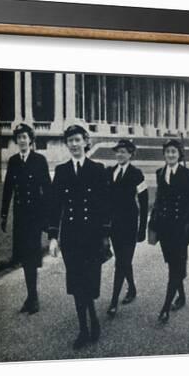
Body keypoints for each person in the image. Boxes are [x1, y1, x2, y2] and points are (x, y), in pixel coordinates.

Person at [47, 125, 111, 350]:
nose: (74, 145)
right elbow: (54, 205)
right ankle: (84, 328)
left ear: (85, 141)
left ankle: (92, 315)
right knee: (76, 283)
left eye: (77, 140)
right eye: (69, 141)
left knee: (89, 283)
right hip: (72, 238)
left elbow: (105, 206)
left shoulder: (98, 169)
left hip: (92, 237)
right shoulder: (62, 171)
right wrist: (53, 237)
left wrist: (105, 235)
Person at [0, 123, 51, 314]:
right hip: (20, 215)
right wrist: (4, 214)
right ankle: (31, 296)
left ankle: (33, 297)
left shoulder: (39, 160)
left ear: (31, 139)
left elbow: (47, 189)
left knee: (31, 256)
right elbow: (8, 189)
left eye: (24, 137)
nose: (22, 140)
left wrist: (47, 217)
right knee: (23, 256)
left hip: (35, 216)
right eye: (19, 137)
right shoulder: (13, 161)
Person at [148, 139, 189, 323]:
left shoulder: (187, 174)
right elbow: (159, 200)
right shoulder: (160, 173)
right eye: (168, 152)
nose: (170, 155)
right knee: (173, 264)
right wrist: (153, 223)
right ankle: (181, 296)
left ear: (180, 154)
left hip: (180, 229)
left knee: (176, 267)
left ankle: (166, 307)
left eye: (174, 152)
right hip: (164, 228)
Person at [106, 139, 149, 317]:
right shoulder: (110, 172)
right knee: (124, 261)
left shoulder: (137, 174)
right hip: (114, 226)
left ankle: (114, 301)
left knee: (121, 263)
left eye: (123, 152)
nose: (120, 154)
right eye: (117, 151)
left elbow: (145, 203)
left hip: (130, 225)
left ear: (130, 154)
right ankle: (131, 288)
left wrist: (142, 228)